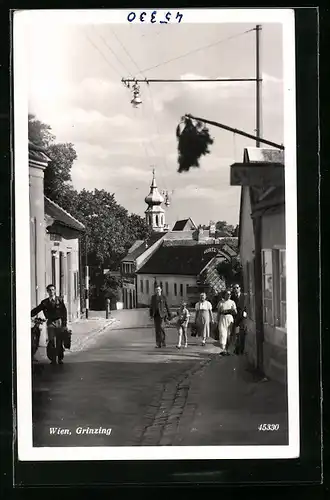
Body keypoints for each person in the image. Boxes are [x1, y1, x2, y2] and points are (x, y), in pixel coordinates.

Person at [31, 284, 68, 365]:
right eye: (50, 290)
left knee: (59, 340)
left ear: (55, 291)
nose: (51, 291)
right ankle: (53, 358)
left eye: (53, 290)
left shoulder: (60, 300)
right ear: (47, 291)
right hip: (50, 322)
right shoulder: (45, 302)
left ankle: (60, 358)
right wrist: (29, 314)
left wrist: (64, 324)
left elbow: (64, 312)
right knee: (51, 341)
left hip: (59, 322)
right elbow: (37, 309)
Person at [216, 289, 237, 355]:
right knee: (222, 333)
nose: (229, 295)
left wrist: (231, 310)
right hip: (222, 318)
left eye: (230, 294)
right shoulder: (221, 302)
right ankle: (223, 349)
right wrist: (217, 320)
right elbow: (218, 312)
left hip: (229, 318)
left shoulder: (232, 302)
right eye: (227, 294)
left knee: (229, 334)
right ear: (224, 295)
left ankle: (228, 350)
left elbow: (235, 312)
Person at [231, 284, 247, 355]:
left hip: (242, 317)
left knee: (242, 333)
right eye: (234, 288)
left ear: (239, 288)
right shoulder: (232, 297)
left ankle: (241, 349)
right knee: (237, 334)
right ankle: (237, 349)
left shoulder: (244, 296)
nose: (236, 289)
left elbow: (247, 305)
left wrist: (246, 312)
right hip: (235, 318)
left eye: (237, 288)